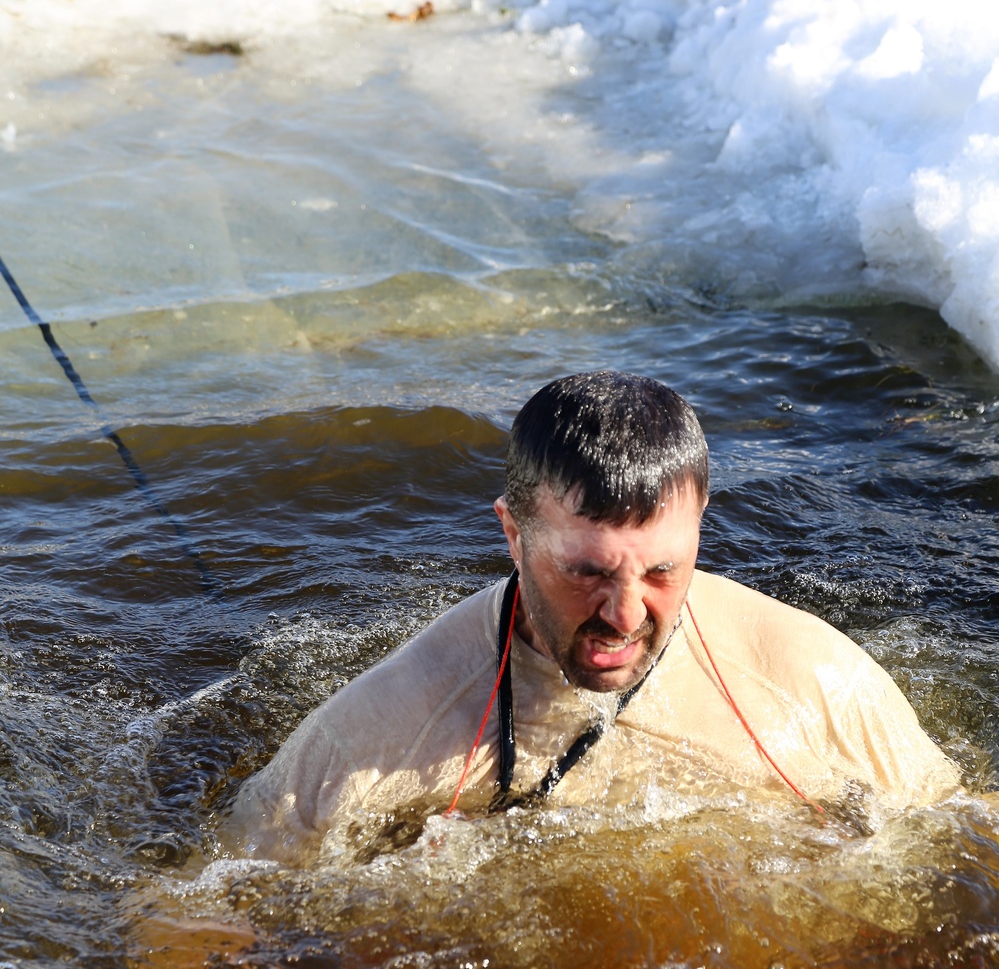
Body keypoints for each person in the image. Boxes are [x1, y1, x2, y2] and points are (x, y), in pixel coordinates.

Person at [224, 371, 960, 865]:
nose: (627, 614)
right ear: (513, 533)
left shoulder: (816, 682)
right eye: (588, 572)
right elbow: (210, 898)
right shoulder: (381, 731)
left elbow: (961, 835)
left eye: (664, 569)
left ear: (702, 522)